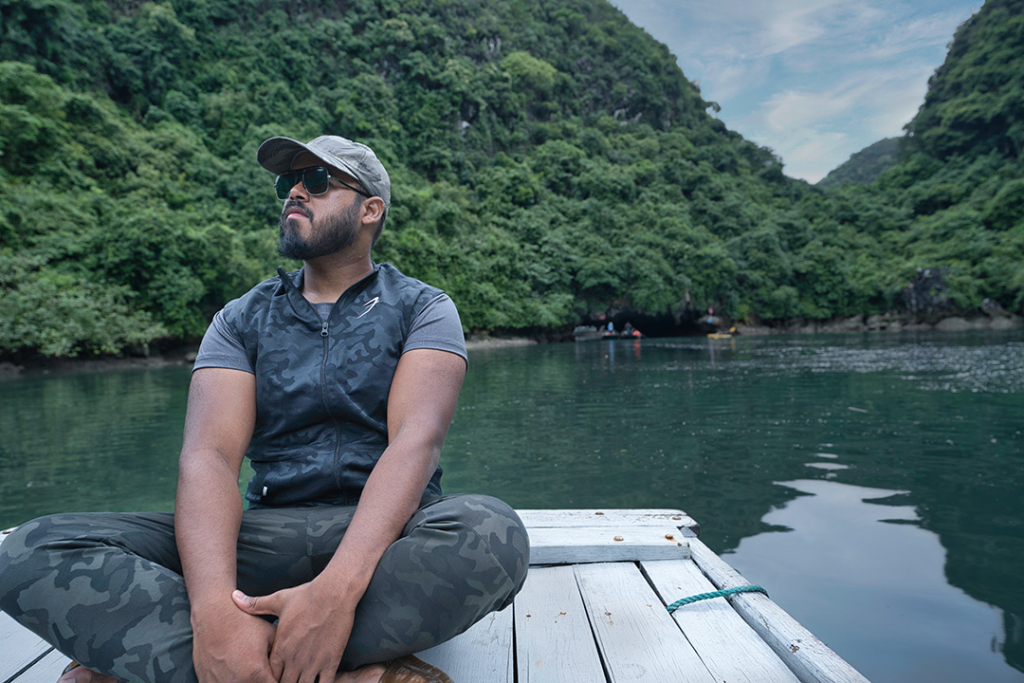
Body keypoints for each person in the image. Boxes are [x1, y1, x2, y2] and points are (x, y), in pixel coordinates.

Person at [0, 135, 530, 683]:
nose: (295, 192)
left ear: (371, 210)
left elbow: (414, 443)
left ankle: (207, 662)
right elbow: (208, 458)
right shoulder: (240, 319)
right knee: (32, 550)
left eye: (317, 182)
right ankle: (336, 668)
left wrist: (334, 593)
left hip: (389, 539)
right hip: (267, 535)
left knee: (492, 534)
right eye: (288, 182)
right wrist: (212, 612)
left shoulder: (423, 308)